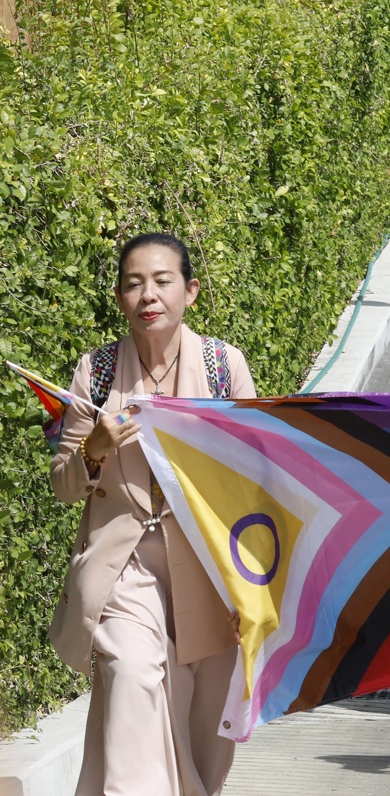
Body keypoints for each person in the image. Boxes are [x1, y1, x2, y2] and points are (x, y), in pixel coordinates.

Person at [49, 232, 256, 795]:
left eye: (163, 281)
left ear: (189, 291)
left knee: (204, 739)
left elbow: (254, 486)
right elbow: (65, 486)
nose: (149, 295)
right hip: (126, 568)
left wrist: (253, 593)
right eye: (134, 283)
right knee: (131, 676)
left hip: (213, 571)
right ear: (119, 297)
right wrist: (94, 447)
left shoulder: (222, 367)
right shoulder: (95, 372)